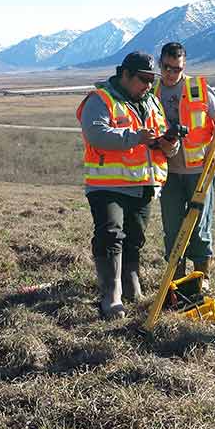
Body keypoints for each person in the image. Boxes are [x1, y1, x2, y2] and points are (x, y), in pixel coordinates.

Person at [77, 51, 179, 319]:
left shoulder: (152, 102)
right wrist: (136, 137)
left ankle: (132, 288)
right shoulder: (100, 100)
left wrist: (169, 144)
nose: (148, 85)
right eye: (143, 79)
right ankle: (111, 297)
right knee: (111, 235)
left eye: (150, 79)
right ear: (125, 75)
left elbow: (159, 143)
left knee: (135, 239)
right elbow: (96, 134)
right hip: (107, 185)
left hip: (144, 183)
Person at [153, 42, 215, 284]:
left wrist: (211, 156)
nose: (171, 73)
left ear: (184, 66)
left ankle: (200, 282)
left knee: (200, 230)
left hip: (198, 171)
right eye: (167, 67)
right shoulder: (151, 91)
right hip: (166, 171)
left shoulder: (199, 88)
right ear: (159, 63)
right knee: (172, 230)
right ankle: (175, 285)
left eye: (177, 69)